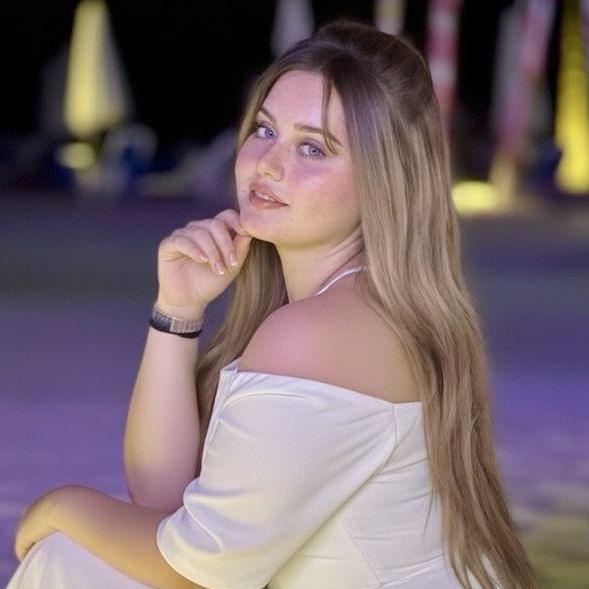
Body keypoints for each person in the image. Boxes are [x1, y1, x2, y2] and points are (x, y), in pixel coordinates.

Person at [8, 18, 538, 589]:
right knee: (81, 559)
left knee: (65, 557)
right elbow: (163, 502)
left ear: (384, 179)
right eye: (264, 130)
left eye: (312, 147)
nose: (267, 163)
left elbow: (199, 568)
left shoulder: (324, 332)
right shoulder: (360, 307)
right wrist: (177, 311)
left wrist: (60, 505)